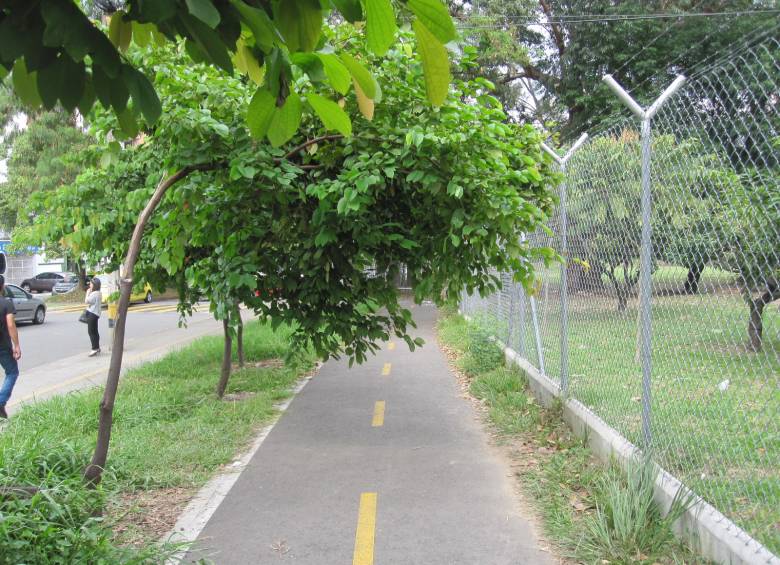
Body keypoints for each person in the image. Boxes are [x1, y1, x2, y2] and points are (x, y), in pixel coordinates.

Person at [0, 275, 22, 419]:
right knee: (12, 372)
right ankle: (1, 402)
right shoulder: (6, 303)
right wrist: (17, 345)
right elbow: (10, 324)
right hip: (2, 346)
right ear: (2, 286)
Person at [85, 277, 102, 356]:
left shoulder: (94, 293)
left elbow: (87, 301)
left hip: (92, 313)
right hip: (96, 314)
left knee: (91, 331)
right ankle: (97, 347)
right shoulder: (99, 292)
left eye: (91, 283)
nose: (90, 285)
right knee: (95, 331)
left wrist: (88, 292)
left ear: (94, 285)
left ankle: (94, 348)